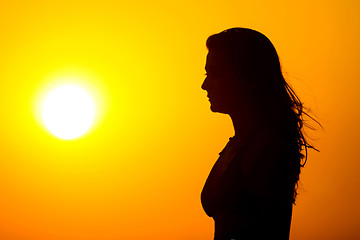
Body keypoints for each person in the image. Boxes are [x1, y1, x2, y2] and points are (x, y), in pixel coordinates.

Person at [200, 28, 321, 240]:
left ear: (249, 79)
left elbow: (274, 230)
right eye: (206, 74)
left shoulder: (267, 149)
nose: (204, 85)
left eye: (215, 74)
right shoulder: (238, 145)